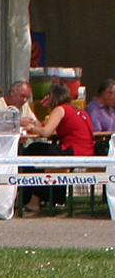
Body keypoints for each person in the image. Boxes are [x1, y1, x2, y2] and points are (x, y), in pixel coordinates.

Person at [24, 81, 92, 215]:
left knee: (33, 150)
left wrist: (31, 127)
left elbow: (46, 132)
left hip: (73, 151)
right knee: (45, 154)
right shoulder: (78, 110)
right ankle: (40, 199)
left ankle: (29, 198)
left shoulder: (60, 109)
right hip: (86, 150)